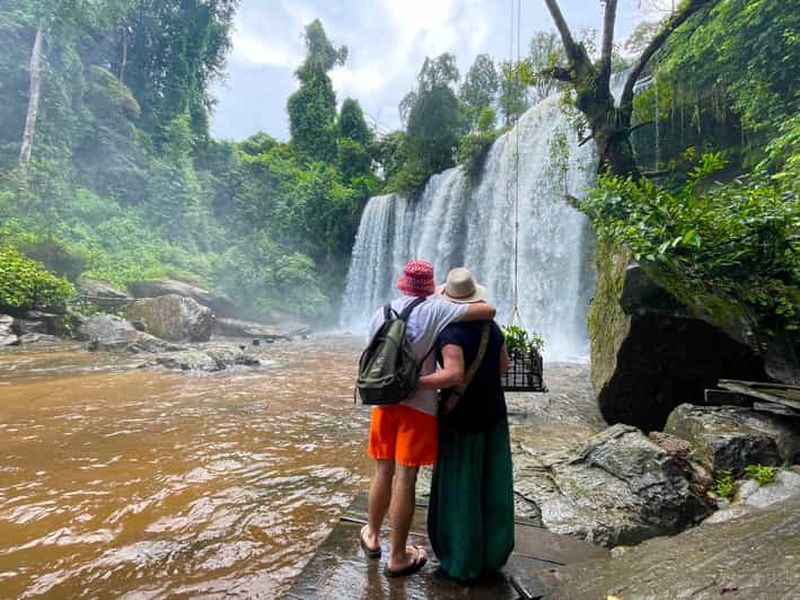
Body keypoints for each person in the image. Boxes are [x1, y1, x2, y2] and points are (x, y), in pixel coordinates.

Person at [359, 259, 497, 578]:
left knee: (383, 471)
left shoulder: (382, 312)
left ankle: (372, 536)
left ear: (402, 284)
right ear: (430, 287)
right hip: (418, 408)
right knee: (405, 479)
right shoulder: (436, 310)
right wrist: (446, 298)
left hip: (384, 403)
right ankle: (397, 556)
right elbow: (488, 311)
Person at [422, 267, 515, 584]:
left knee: (461, 486)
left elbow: (453, 375)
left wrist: (414, 382)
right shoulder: (492, 328)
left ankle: (462, 559)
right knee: (491, 483)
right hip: (494, 414)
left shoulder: (450, 333)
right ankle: (492, 555)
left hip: (462, 417)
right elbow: (504, 367)